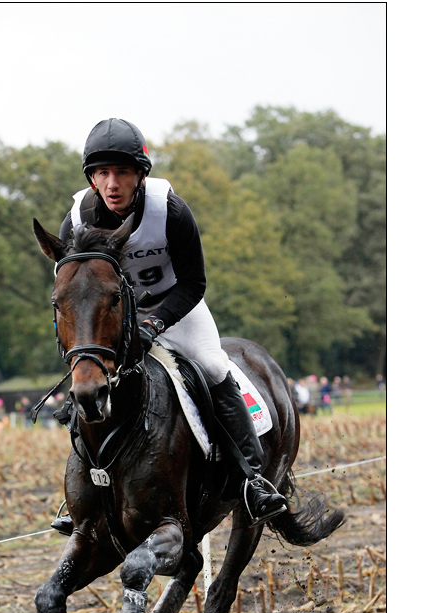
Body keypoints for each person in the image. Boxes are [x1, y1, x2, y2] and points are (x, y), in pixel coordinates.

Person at [51, 118, 287, 534]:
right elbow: (74, 292)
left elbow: (195, 282)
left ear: (141, 175)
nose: (112, 183)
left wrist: (154, 321)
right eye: (102, 173)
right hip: (114, 319)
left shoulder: (171, 212)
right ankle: (81, 493)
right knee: (88, 380)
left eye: (122, 172)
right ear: (91, 178)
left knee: (214, 366)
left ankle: (254, 480)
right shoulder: (76, 221)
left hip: (175, 306)